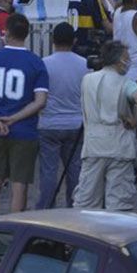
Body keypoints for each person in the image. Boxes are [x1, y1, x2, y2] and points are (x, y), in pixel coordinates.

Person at [0, 13, 49, 218]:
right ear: (26, 34)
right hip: (24, 130)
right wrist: (15, 118)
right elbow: (40, 101)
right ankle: (14, 232)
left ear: (5, 32)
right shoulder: (36, 63)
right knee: (19, 185)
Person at [74, 40, 137, 211]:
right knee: (119, 204)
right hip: (120, 145)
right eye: (127, 58)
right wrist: (135, 120)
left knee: (86, 201)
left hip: (93, 144)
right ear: (119, 60)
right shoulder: (126, 82)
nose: (128, 62)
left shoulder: (87, 80)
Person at [37, 23, 89, 209]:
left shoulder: (44, 64)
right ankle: (74, 208)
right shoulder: (84, 65)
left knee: (48, 172)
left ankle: (45, 208)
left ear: (53, 40)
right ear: (74, 41)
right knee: (75, 171)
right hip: (76, 124)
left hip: (49, 124)